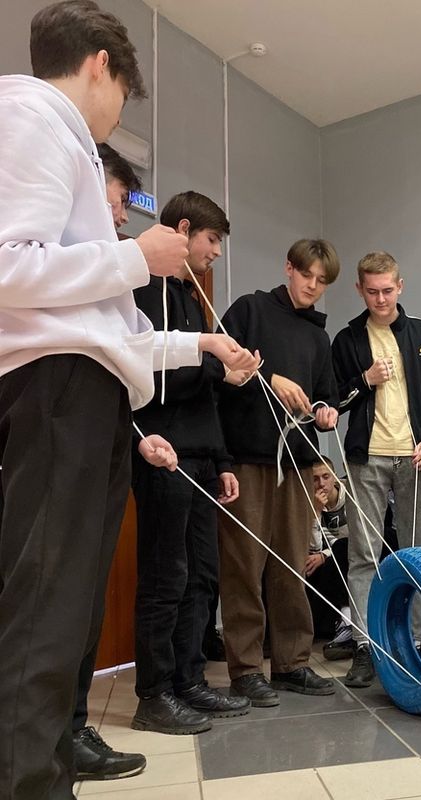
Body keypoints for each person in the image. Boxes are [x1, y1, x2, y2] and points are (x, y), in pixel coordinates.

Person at [0, 2, 258, 797]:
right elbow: (9, 267)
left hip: (87, 388)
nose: (117, 116)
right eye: (122, 95)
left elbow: (111, 333)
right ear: (101, 64)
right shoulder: (33, 115)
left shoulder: (63, 140)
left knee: (70, 604)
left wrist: (201, 344)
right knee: (48, 602)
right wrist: (134, 258)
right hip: (57, 387)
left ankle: (50, 760)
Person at [131, 192, 254, 735]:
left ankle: (189, 680)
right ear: (183, 230)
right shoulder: (144, 289)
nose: (217, 252)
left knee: (202, 576)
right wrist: (215, 366)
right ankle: (155, 694)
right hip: (165, 455)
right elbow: (155, 379)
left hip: (201, 457)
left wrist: (222, 457)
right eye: (212, 239)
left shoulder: (188, 294)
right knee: (167, 577)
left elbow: (202, 392)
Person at [217, 239, 340, 707]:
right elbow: (219, 365)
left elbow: (325, 394)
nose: (313, 286)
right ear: (288, 268)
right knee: (244, 566)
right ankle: (247, 670)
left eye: (322, 281)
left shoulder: (318, 337)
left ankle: (291, 663)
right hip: (249, 458)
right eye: (307, 275)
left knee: (291, 564)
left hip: (298, 461)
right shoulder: (250, 310)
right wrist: (269, 378)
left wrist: (325, 412)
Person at [331, 251, 421, 688]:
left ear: (400, 286)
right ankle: (366, 645)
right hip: (366, 457)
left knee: (419, 552)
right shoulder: (347, 339)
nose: (380, 299)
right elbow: (333, 399)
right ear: (359, 290)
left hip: (415, 456)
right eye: (371, 291)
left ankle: (420, 641)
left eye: (387, 290)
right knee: (364, 554)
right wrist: (365, 380)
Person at [70, 143, 145, 780]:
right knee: (57, 597)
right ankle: (46, 742)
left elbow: (127, 348)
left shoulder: (101, 273)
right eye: (120, 202)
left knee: (82, 596)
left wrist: (205, 344)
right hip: (59, 424)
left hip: (109, 425)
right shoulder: (58, 259)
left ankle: (68, 730)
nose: (122, 217)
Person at [304, 457, 352, 659]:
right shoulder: (309, 501)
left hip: (351, 554)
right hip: (329, 563)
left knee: (341, 547)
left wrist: (324, 555)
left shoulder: (350, 496)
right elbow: (314, 547)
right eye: (315, 479)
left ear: (335, 478)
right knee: (308, 564)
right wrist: (315, 511)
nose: (321, 484)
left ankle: (347, 621)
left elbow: (356, 539)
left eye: (326, 477)